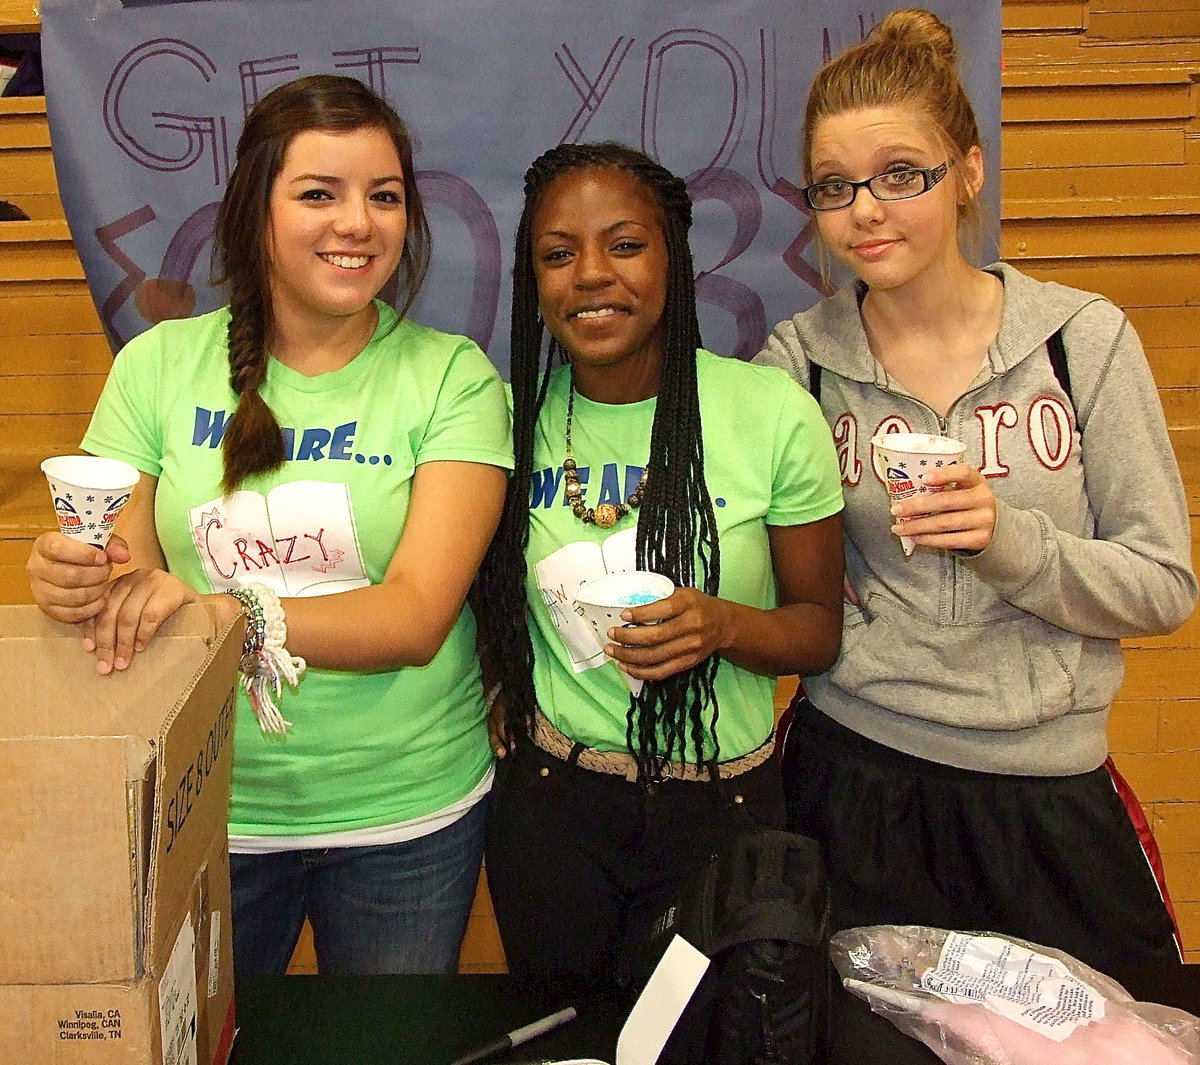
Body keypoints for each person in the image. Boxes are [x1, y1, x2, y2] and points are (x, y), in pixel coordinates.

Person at [26, 74, 513, 977]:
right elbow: (125, 580)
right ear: (258, 211)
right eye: (319, 193)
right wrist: (68, 576)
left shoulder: (455, 377)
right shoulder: (158, 365)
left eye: (385, 196)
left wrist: (216, 612)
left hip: (404, 815)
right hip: (206, 803)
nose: (357, 223)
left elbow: (412, 618)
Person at [755, 10, 1198, 975]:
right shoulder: (798, 363)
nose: (866, 211)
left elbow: (1163, 585)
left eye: (900, 175)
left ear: (968, 170)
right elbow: (762, 576)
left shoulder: (1082, 341)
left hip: (1044, 793)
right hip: (856, 780)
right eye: (837, 187)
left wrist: (1011, 541)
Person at [476, 141, 845, 996]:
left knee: (714, 1039)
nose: (591, 275)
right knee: (568, 1034)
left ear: (673, 260)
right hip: (551, 807)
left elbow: (818, 631)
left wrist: (722, 624)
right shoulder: (507, 419)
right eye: (558, 255)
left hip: (724, 812)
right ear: (535, 281)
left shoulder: (770, 414)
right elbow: (476, 590)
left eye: (625, 245)